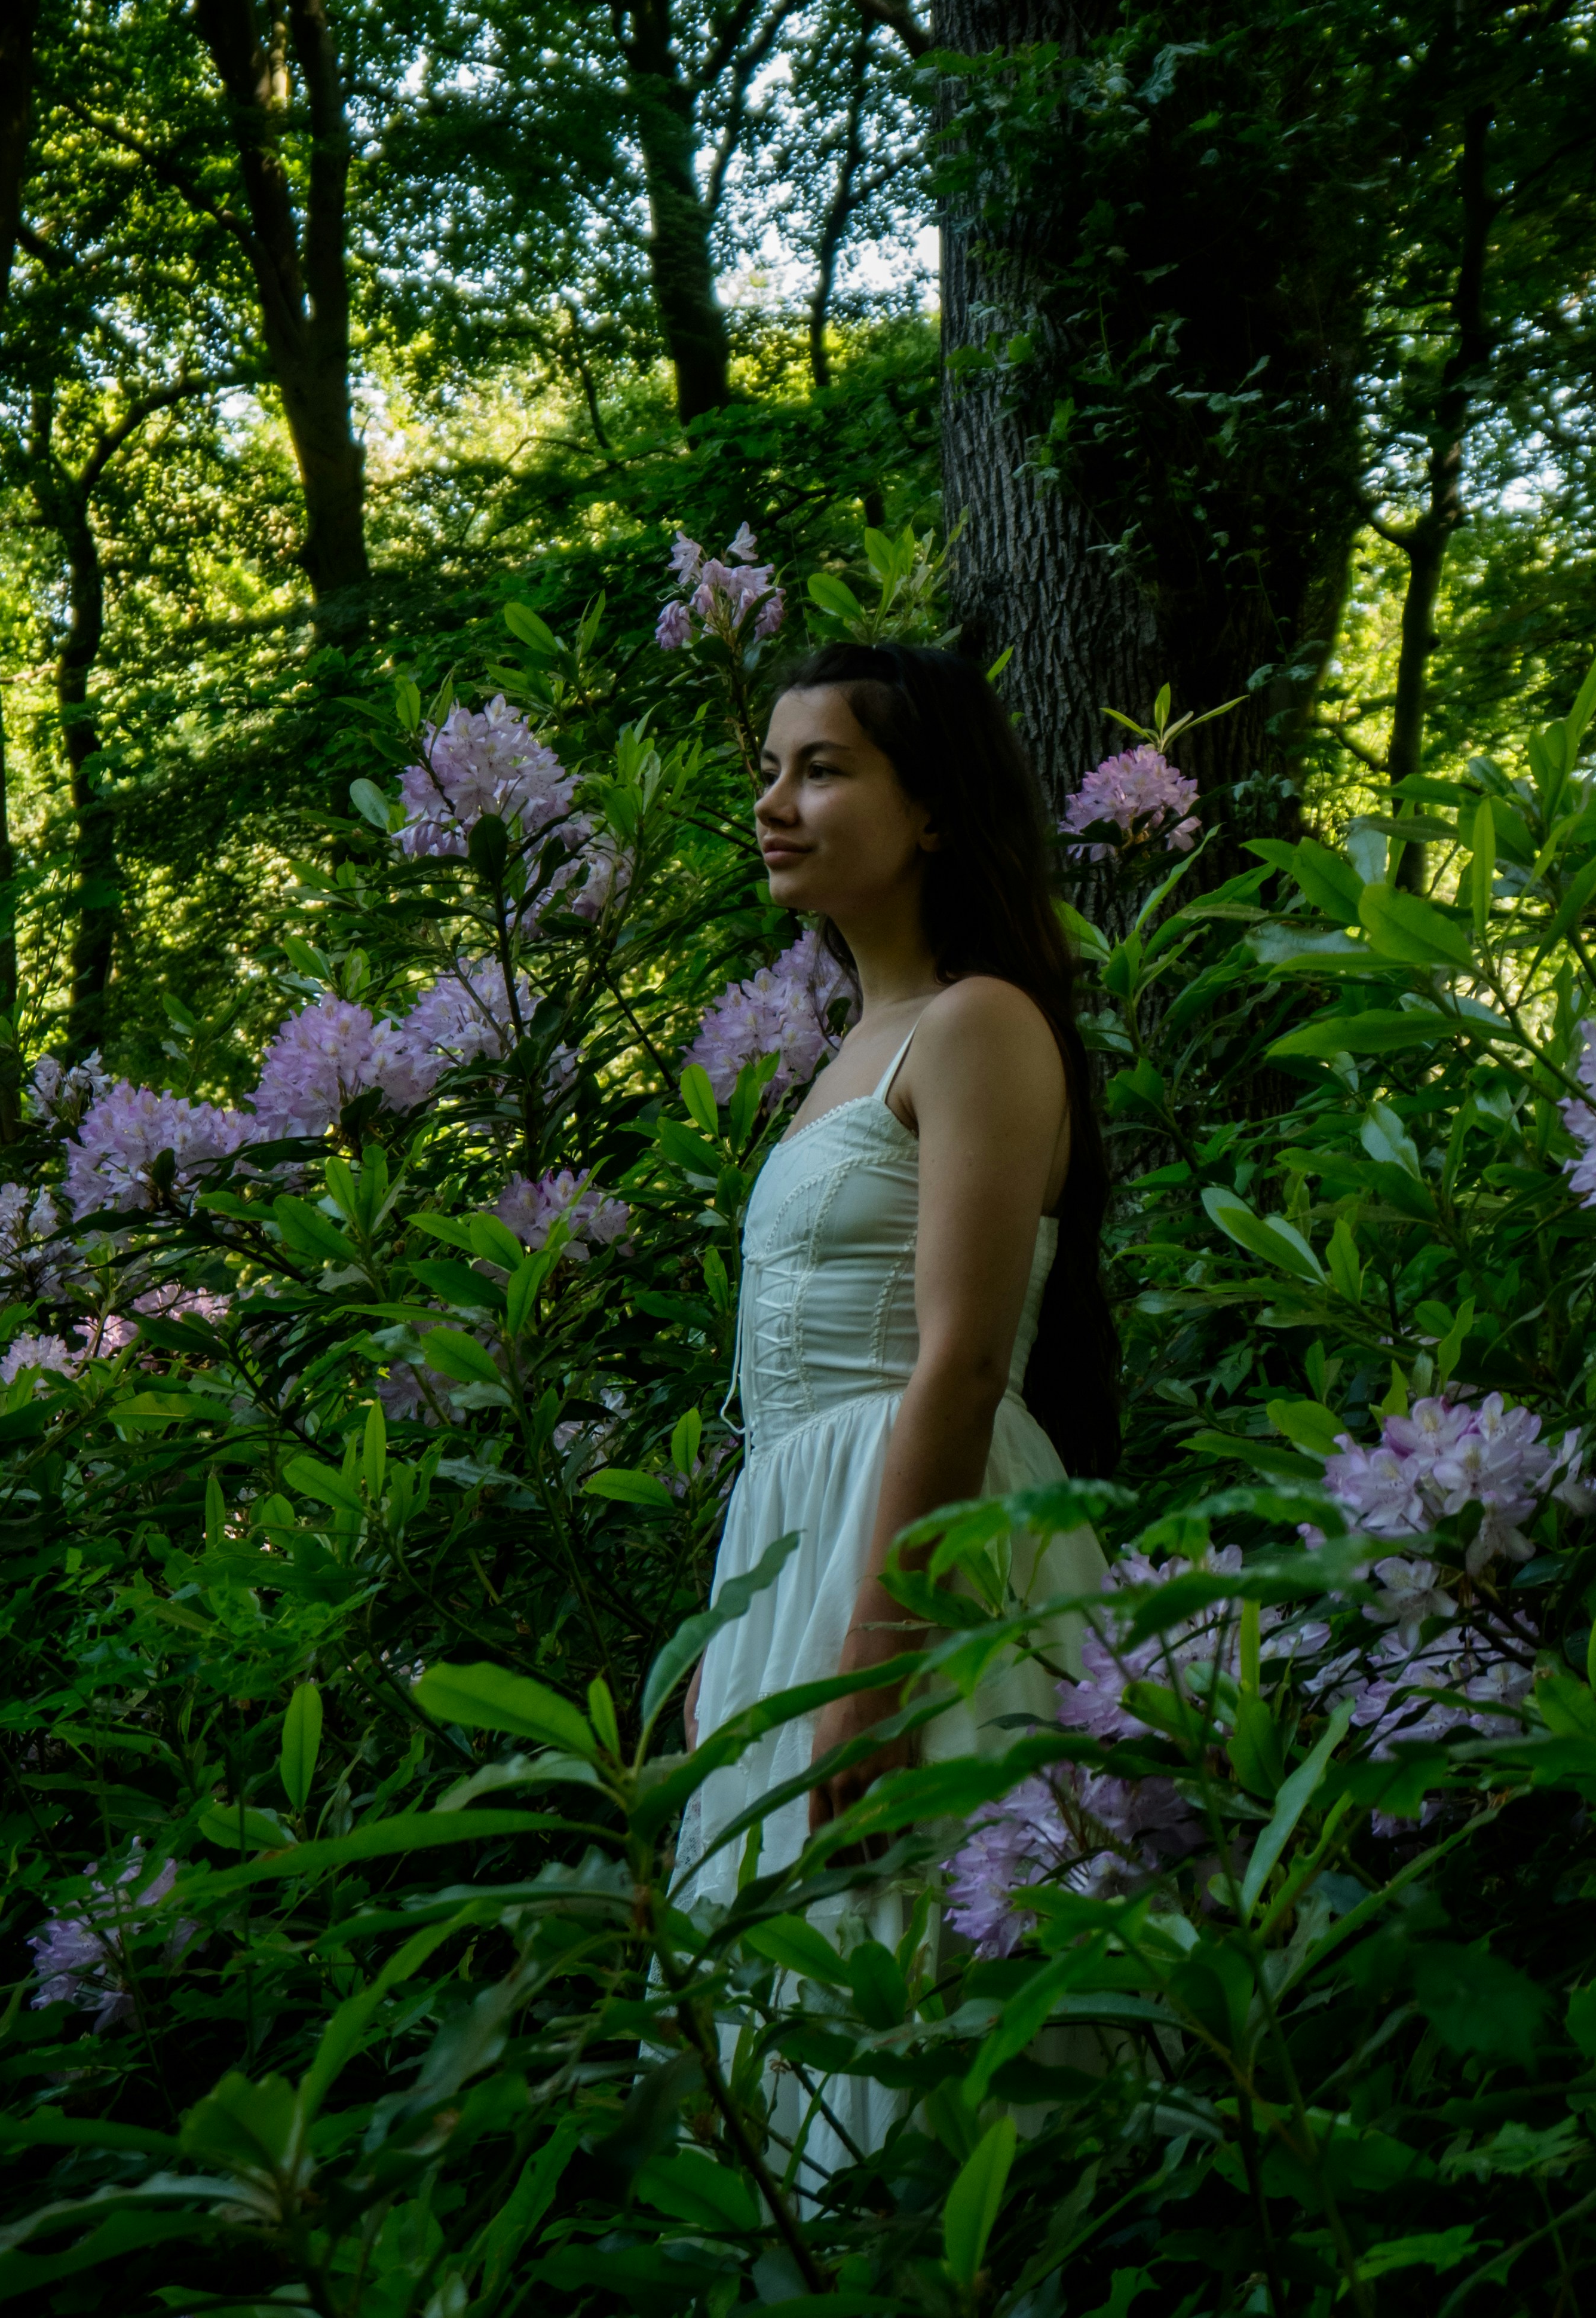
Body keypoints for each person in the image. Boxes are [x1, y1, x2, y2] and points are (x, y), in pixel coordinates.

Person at [672, 640, 1117, 2172]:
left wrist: (879, 1650)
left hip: (919, 1559)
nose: (771, 802)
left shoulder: (978, 1022)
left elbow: (959, 1359)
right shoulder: (840, 1056)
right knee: (800, 2003)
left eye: (822, 767)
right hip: (802, 1554)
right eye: (770, 769)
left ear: (931, 811)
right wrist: (738, 1640)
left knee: (926, 2003)